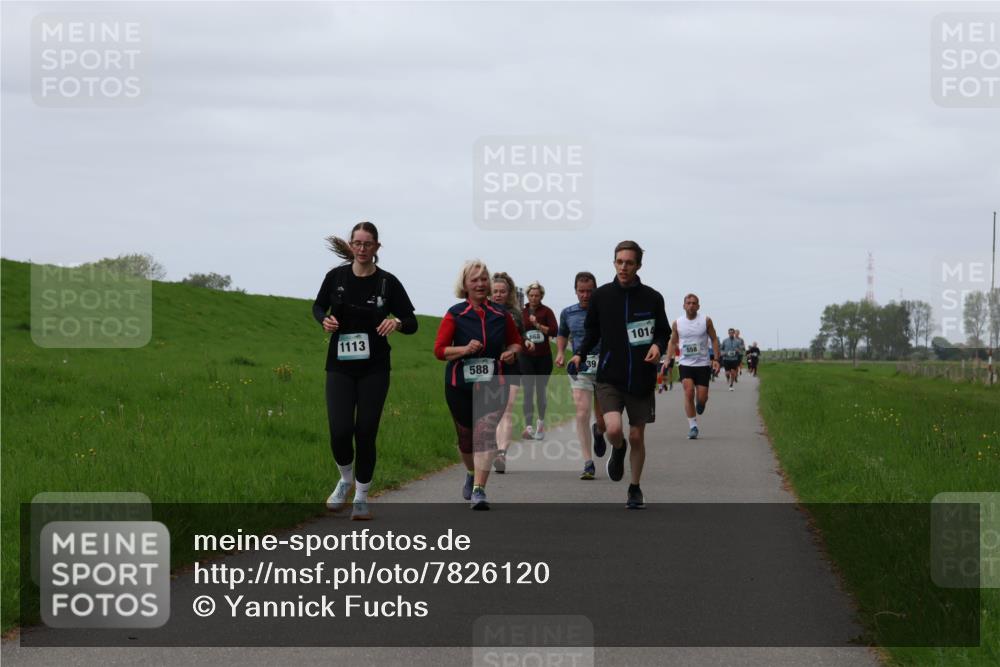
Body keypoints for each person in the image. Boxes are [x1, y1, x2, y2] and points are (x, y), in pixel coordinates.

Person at [313, 222, 418, 520]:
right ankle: (345, 479)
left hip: (375, 368)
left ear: (376, 248)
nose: (361, 249)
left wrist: (396, 323)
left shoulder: (387, 283)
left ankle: (361, 495)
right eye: (357, 243)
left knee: (366, 431)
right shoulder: (336, 277)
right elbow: (318, 307)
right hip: (339, 366)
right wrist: (324, 321)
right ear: (350, 245)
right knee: (340, 430)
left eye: (367, 244)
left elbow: (412, 322)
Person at [570, 241, 669, 509]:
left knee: (638, 435)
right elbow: (591, 333)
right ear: (614, 263)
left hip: (641, 377)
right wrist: (579, 354)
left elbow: (663, 331)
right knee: (613, 429)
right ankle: (618, 447)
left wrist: (658, 346)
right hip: (610, 376)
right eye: (619, 261)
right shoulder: (602, 296)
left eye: (629, 262)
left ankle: (634, 488)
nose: (623, 267)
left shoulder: (652, 297)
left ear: (638, 265)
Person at [434, 260, 523, 510]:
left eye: (484, 279)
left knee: (485, 434)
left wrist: (512, 353)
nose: (481, 284)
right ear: (465, 284)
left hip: (494, 383)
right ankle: (472, 473)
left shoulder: (500, 314)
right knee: (466, 439)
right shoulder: (455, 314)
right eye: (475, 279)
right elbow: (439, 351)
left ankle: (480, 490)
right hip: (459, 385)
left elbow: (516, 342)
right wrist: (464, 349)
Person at [555, 271, 608, 481]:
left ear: (595, 290)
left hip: (604, 369)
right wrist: (560, 352)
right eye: (581, 291)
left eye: (589, 291)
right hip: (581, 369)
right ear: (575, 291)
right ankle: (588, 462)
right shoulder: (568, 313)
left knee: (603, 419)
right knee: (581, 412)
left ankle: (599, 431)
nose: (585, 295)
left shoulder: (605, 311)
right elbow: (562, 334)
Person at [491, 272, 533, 473]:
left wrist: (526, 341)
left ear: (509, 294)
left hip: (511, 365)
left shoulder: (515, 314)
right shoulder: (483, 311)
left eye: (502, 292)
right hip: (489, 366)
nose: (498, 295)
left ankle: (501, 453)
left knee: (507, 410)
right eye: (495, 291)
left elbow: (521, 334)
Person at [668, 294, 721, 440]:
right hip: (685, 364)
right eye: (688, 303)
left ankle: (701, 403)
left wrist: (716, 359)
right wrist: (668, 359)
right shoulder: (677, 323)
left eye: (694, 303)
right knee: (689, 392)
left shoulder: (706, 320)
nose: (691, 305)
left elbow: (714, 339)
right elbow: (673, 342)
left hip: (703, 364)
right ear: (684, 306)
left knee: (702, 398)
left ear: (698, 306)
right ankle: (693, 426)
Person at [520, 282, 558, 441]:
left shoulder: (547, 311)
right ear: (527, 296)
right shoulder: (521, 312)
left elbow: (555, 331)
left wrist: (537, 325)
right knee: (528, 390)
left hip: (543, 357)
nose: (534, 298)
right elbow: (516, 331)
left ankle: (540, 425)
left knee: (540, 391)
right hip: (526, 356)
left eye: (537, 295)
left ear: (541, 296)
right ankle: (528, 427)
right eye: (531, 295)